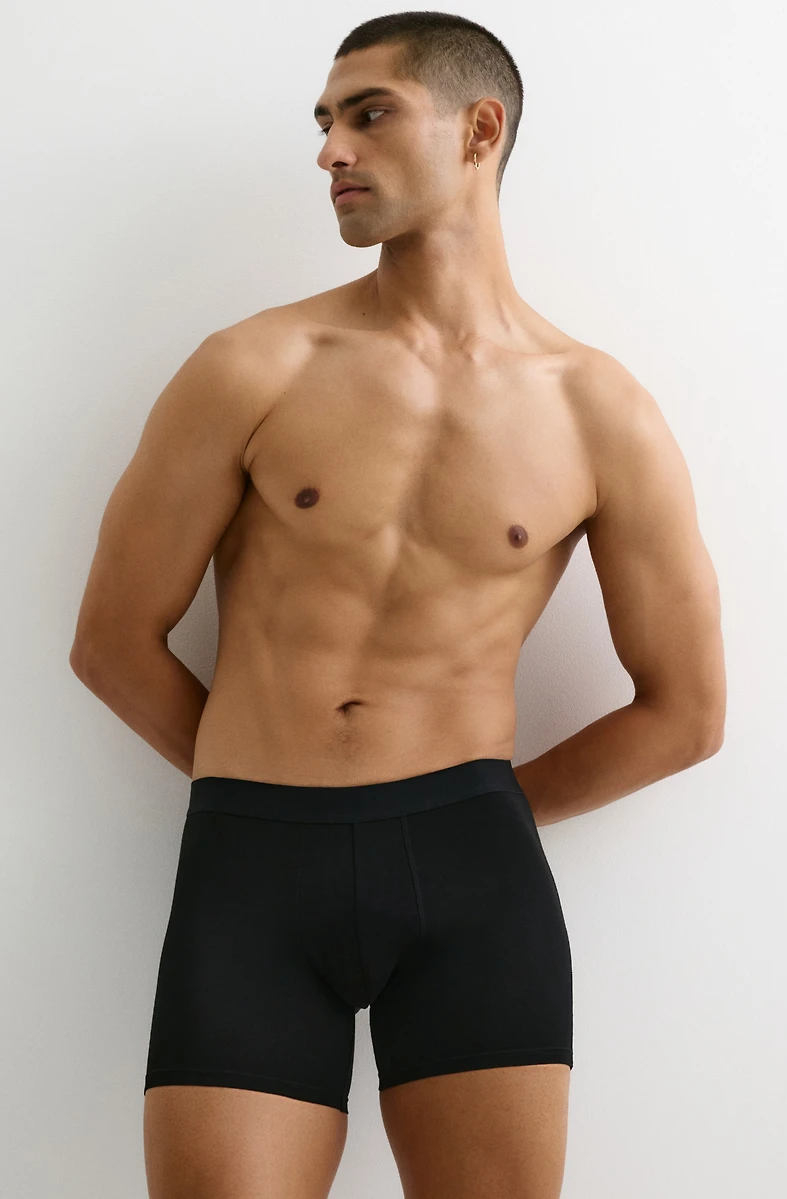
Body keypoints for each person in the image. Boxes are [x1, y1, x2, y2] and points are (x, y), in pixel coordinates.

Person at [70, 13, 726, 1199]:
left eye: (368, 113)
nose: (330, 148)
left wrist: (470, 818)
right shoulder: (252, 366)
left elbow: (683, 711)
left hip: (471, 876)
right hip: (252, 864)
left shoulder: (597, 408)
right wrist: (263, 788)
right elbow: (111, 642)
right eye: (324, 122)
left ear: (479, 130)